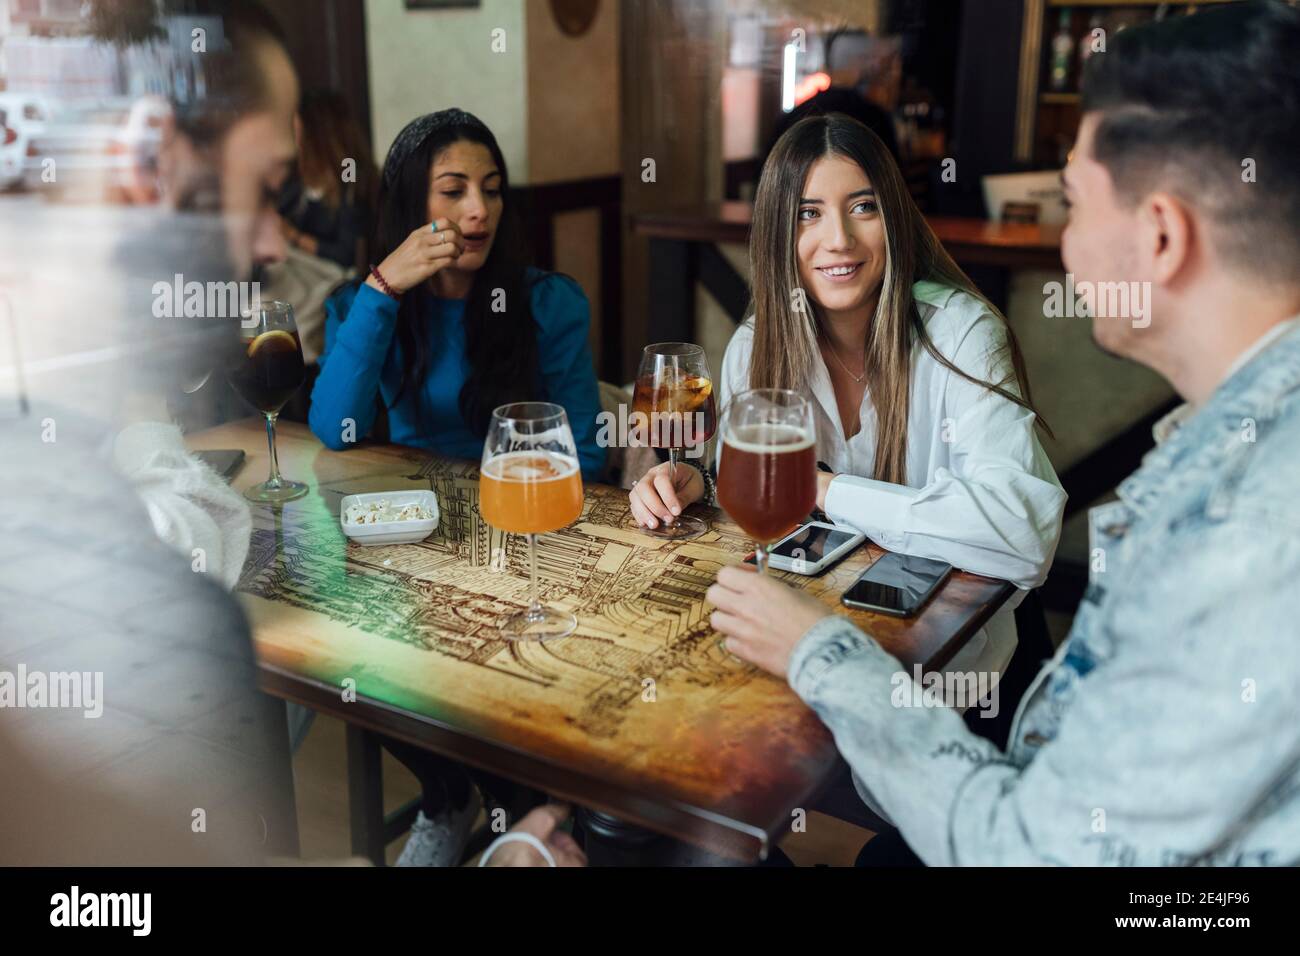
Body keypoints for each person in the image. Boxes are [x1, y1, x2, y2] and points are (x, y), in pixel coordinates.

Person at [707, 0, 1300, 866]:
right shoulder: (1232, 462)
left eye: (1073, 204)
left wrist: (822, 652)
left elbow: (1036, 852)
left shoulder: (1243, 531)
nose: (1065, 249)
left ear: (1162, 234)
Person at [630, 112, 1065, 726]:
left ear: (893, 218)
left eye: (862, 207)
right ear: (778, 231)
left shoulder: (964, 334)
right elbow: (756, 500)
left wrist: (824, 488)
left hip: (954, 686)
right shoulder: (757, 348)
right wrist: (699, 485)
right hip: (811, 664)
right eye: (808, 213)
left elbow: (1021, 535)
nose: (838, 238)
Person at [308, 108, 604, 480]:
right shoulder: (359, 303)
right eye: (453, 191)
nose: (481, 210)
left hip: (524, 498)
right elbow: (335, 430)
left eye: (492, 190)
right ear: (409, 205)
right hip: (414, 506)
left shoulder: (549, 301)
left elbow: (584, 454)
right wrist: (383, 288)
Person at [279, 89, 378, 270]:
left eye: (297, 132)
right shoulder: (297, 180)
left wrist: (293, 236)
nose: (293, 142)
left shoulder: (353, 180)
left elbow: (348, 256)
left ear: (317, 138)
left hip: (333, 285)